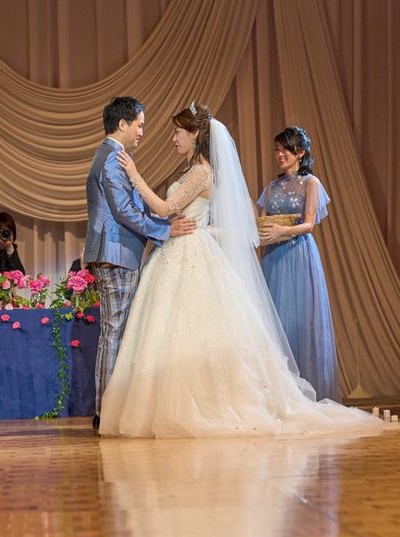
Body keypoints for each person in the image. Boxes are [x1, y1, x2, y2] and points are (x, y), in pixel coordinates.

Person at [98, 103, 380, 438]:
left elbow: (165, 207)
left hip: (190, 253)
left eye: (178, 132)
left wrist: (133, 175)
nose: (173, 138)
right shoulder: (189, 170)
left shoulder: (202, 171)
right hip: (175, 250)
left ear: (195, 134)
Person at [83, 96, 196, 431]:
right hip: (116, 254)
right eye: (140, 125)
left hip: (118, 253)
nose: (142, 132)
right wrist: (165, 230)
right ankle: (105, 411)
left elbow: (131, 208)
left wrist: (162, 222)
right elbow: (123, 211)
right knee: (114, 332)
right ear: (122, 124)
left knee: (117, 331)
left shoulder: (111, 156)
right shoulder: (112, 158)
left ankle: (112, 408)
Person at [257, 127, 339, 402]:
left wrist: (283, 232)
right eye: (277, 149)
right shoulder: (271, 187)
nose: (279, 154)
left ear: (300, 152)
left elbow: (309, 223)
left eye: (285, 149)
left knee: (300, 321)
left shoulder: (310, 183)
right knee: (275, 321)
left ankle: (306, 395)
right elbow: (262, 221)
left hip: (298, 254)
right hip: (272, 256)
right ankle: (277, 395)